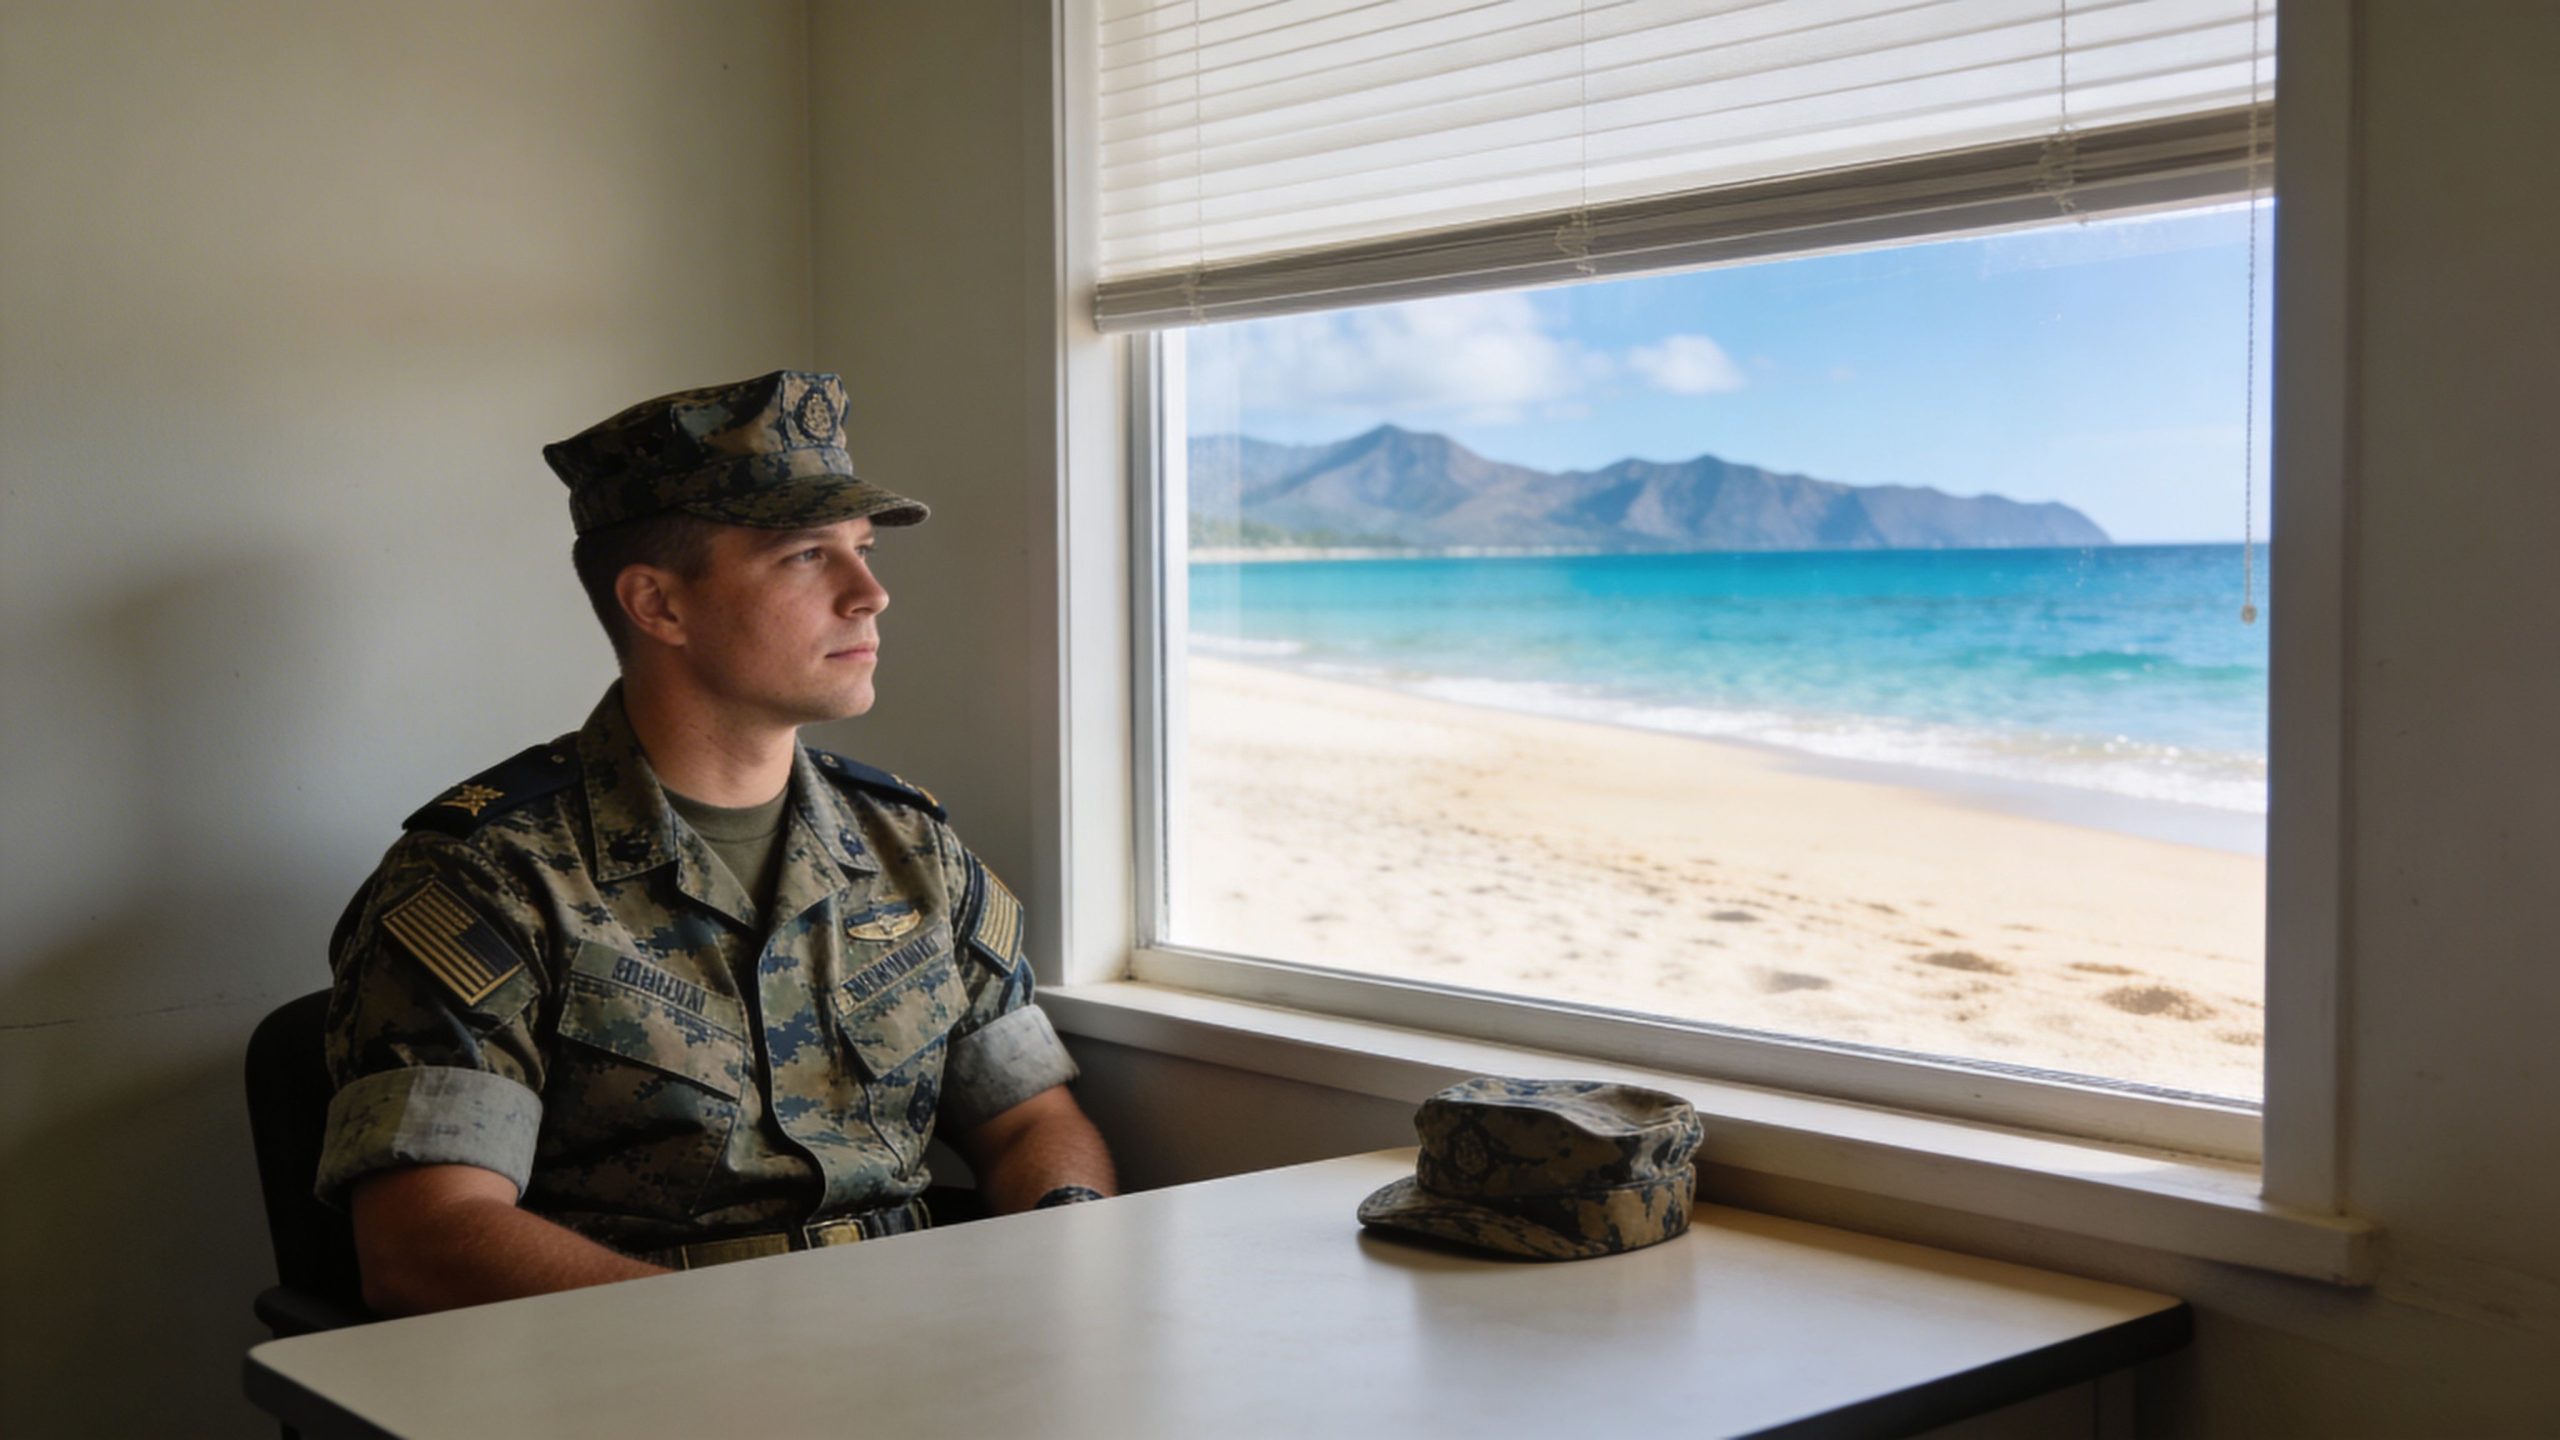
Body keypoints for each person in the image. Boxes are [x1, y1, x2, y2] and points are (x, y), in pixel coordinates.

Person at [315, 370, 1115, 1316]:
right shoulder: (487, 878)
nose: (871, 594)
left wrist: (1071, 1250)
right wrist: (737, 1354)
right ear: (659, 606)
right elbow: (427, 1242)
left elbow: (1030, 1119)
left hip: (916, 1342)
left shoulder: (911, 850)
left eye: (860, 550)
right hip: (636, 1374)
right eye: (807, 557)